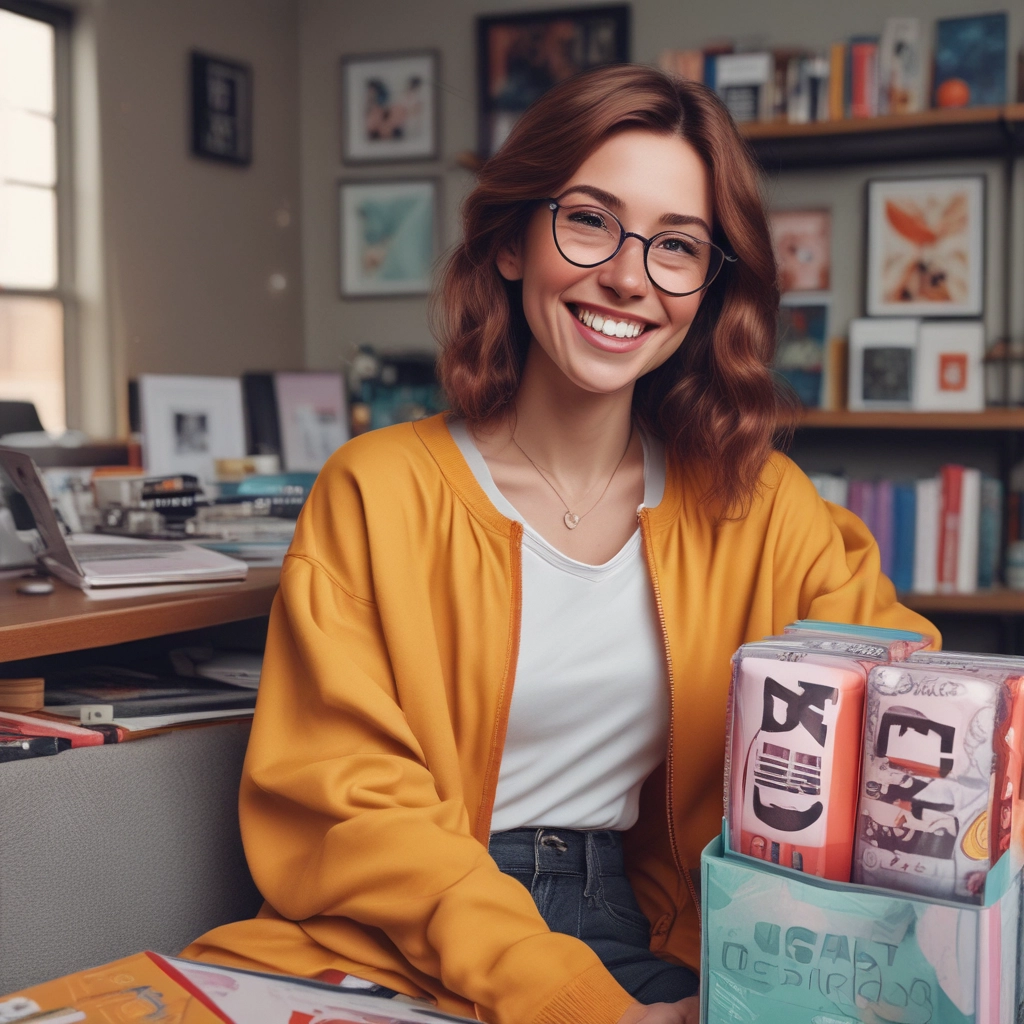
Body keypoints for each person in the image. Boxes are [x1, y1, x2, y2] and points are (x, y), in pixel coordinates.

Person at [184, 64, 936, 1024]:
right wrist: (566, 999)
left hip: (643, 928)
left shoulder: (766, 509)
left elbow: (915, 717)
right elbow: (350, 801)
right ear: (510, 241)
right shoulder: (376, 488)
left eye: (678, 246)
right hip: (397, 932)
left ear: (708, 290)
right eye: (589, 220)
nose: (629, 275)